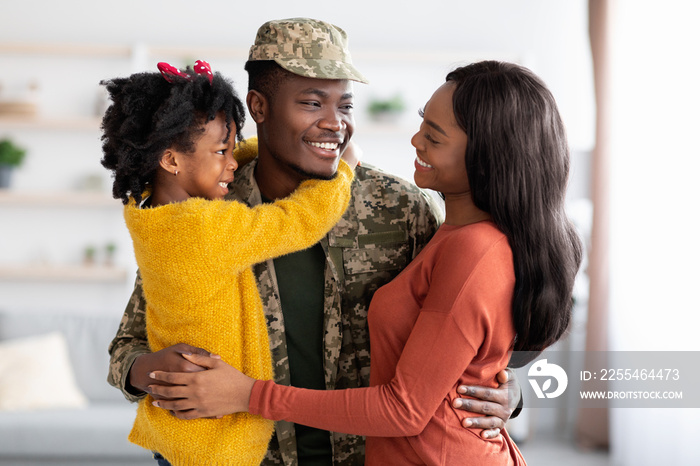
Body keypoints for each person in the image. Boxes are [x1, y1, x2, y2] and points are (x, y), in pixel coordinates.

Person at [107, 18, 522, 465]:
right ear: (259, 107)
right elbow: (127, 345)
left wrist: (508, 388)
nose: (334, 123)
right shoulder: (207, 212)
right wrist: (150, 372)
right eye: (311, 103)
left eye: (344, 105)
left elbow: (471, 325)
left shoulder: (400, 208)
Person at [100, 60, 356, 465]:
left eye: (233, 149)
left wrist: (249, 150)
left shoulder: (153, 210)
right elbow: (298, 222)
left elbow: (214, 158)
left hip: (181, 436)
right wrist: (343, 172)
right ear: (171, 160)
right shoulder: (203, 227)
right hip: (217, 442)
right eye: (223, 151)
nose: (233, 163)